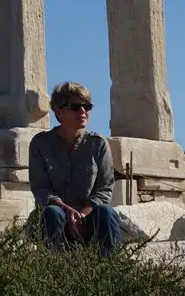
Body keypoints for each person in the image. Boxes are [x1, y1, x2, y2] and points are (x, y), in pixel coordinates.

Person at [28, 82, 122, 256]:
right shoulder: (40, 144)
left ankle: (113, 273)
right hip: (55, 217)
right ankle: (56, 272)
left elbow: (105, 188)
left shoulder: (98, 144)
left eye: (87, 106)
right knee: (52, 213)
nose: (83, 111)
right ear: (59, 112)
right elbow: (40, 189)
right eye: (76, 107)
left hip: (89, 217)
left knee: (106, 212)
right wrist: (67, 210)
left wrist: (82, 214)